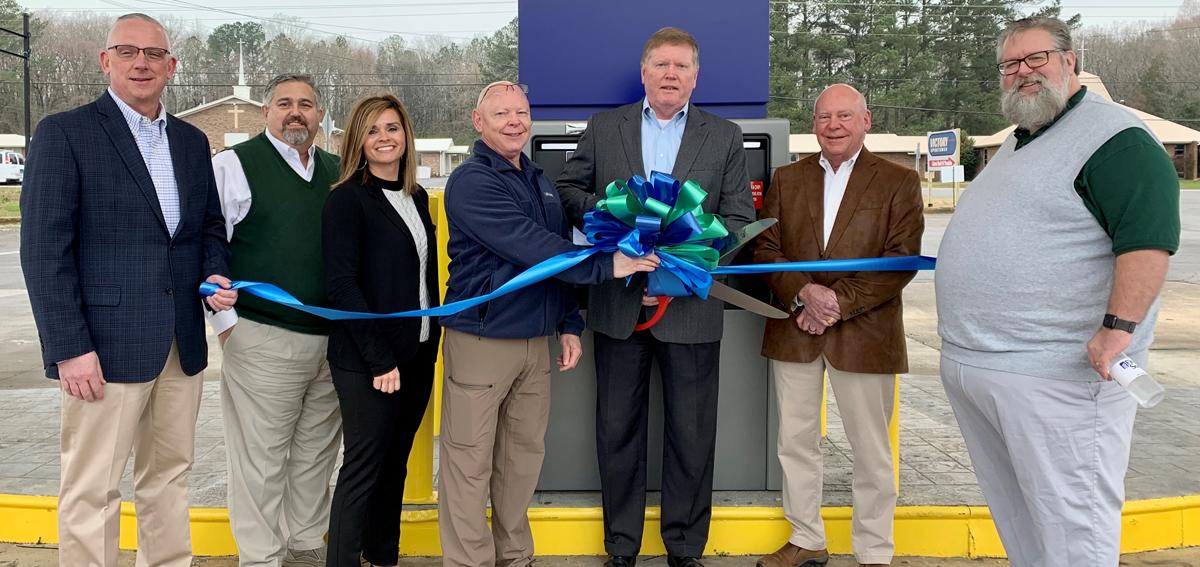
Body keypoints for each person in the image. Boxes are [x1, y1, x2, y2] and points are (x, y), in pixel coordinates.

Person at [935, 17, 1180, 567]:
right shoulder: (1022, 139)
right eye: (1010, 64)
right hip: (987, 366)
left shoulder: (1116, 139)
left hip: (1059, 377)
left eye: (1035, 58)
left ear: (1071, 60)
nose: (1022, 72)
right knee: (1022, 521)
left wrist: (1118, 330)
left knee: (1075, 528)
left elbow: (1146, 244)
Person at [19, 13, 236, 567]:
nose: (141, 62)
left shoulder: (191, 142)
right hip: (102, 347)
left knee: (169, 478)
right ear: (105, 61)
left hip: (179, 341)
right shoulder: (65, 133)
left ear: (171, 66)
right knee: (93, 488)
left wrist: (215, 273)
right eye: (127, 51)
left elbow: (208, 226)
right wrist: (68, 346)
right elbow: (45, 251)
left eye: (153, 54)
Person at [554, 27, 754, 567]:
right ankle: (621, 547)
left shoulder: (725, 136)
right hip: (618, 307)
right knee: (617, 430)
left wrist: (677, 264)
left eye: (681, 66)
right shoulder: (604, 127)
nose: (671, 75)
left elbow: (738, 220)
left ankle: (685, 549)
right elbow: (569, 191)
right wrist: (618, 223)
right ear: (644, 72)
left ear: (695, 76)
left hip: (690, 311)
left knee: (691, 435)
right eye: (661, 65)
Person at [438, 81, 658, 567]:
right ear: (479, 122)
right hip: (482, 337)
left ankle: (515, 557)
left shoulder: (539, 179)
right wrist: (608, 266)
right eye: (501, 114)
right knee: (468, 463)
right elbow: (533, 249)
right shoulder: (473, 181)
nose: (514, 121)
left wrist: (568, 323)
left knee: (520, 461)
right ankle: (470, 561)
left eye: (521, 112)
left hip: (536, 342)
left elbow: (554, 253)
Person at [752, 84, 923, 567]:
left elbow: (900, 259)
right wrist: (803, 293)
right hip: (794, 330)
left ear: (866, 120)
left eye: (844, 116)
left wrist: (833, 303)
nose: (833, 126)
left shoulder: (898, 181)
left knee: (871, 449)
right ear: (814, 124)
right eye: (824, 117)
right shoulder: (786, 179)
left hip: (866, 333)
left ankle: (873, 551)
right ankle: (807, 539)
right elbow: (765, 250)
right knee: (795, 442)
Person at [209, 74, 343, 567]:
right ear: (265, 112)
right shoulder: (235, 165)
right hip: (264, 338)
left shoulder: (338, 168)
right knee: (260, 461)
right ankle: (261, 557)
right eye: (284, 103)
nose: (296, 113)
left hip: (331, 340)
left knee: (315, 456)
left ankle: (307, 545)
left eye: (306, 104)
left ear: (320, 115)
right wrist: (227, 327)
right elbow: (209, 244)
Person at [321, 94, 439, 567]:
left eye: (392, 128)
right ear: (358, 142)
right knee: (363, 470)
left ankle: (382, 557)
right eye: (373, 130)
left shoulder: (417, 197)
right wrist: (380, 359)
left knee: (394, 466)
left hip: (418, 352)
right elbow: (342, 287)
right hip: (369, 361)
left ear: (406, 135)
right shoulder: (347, 199)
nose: (384, 138)